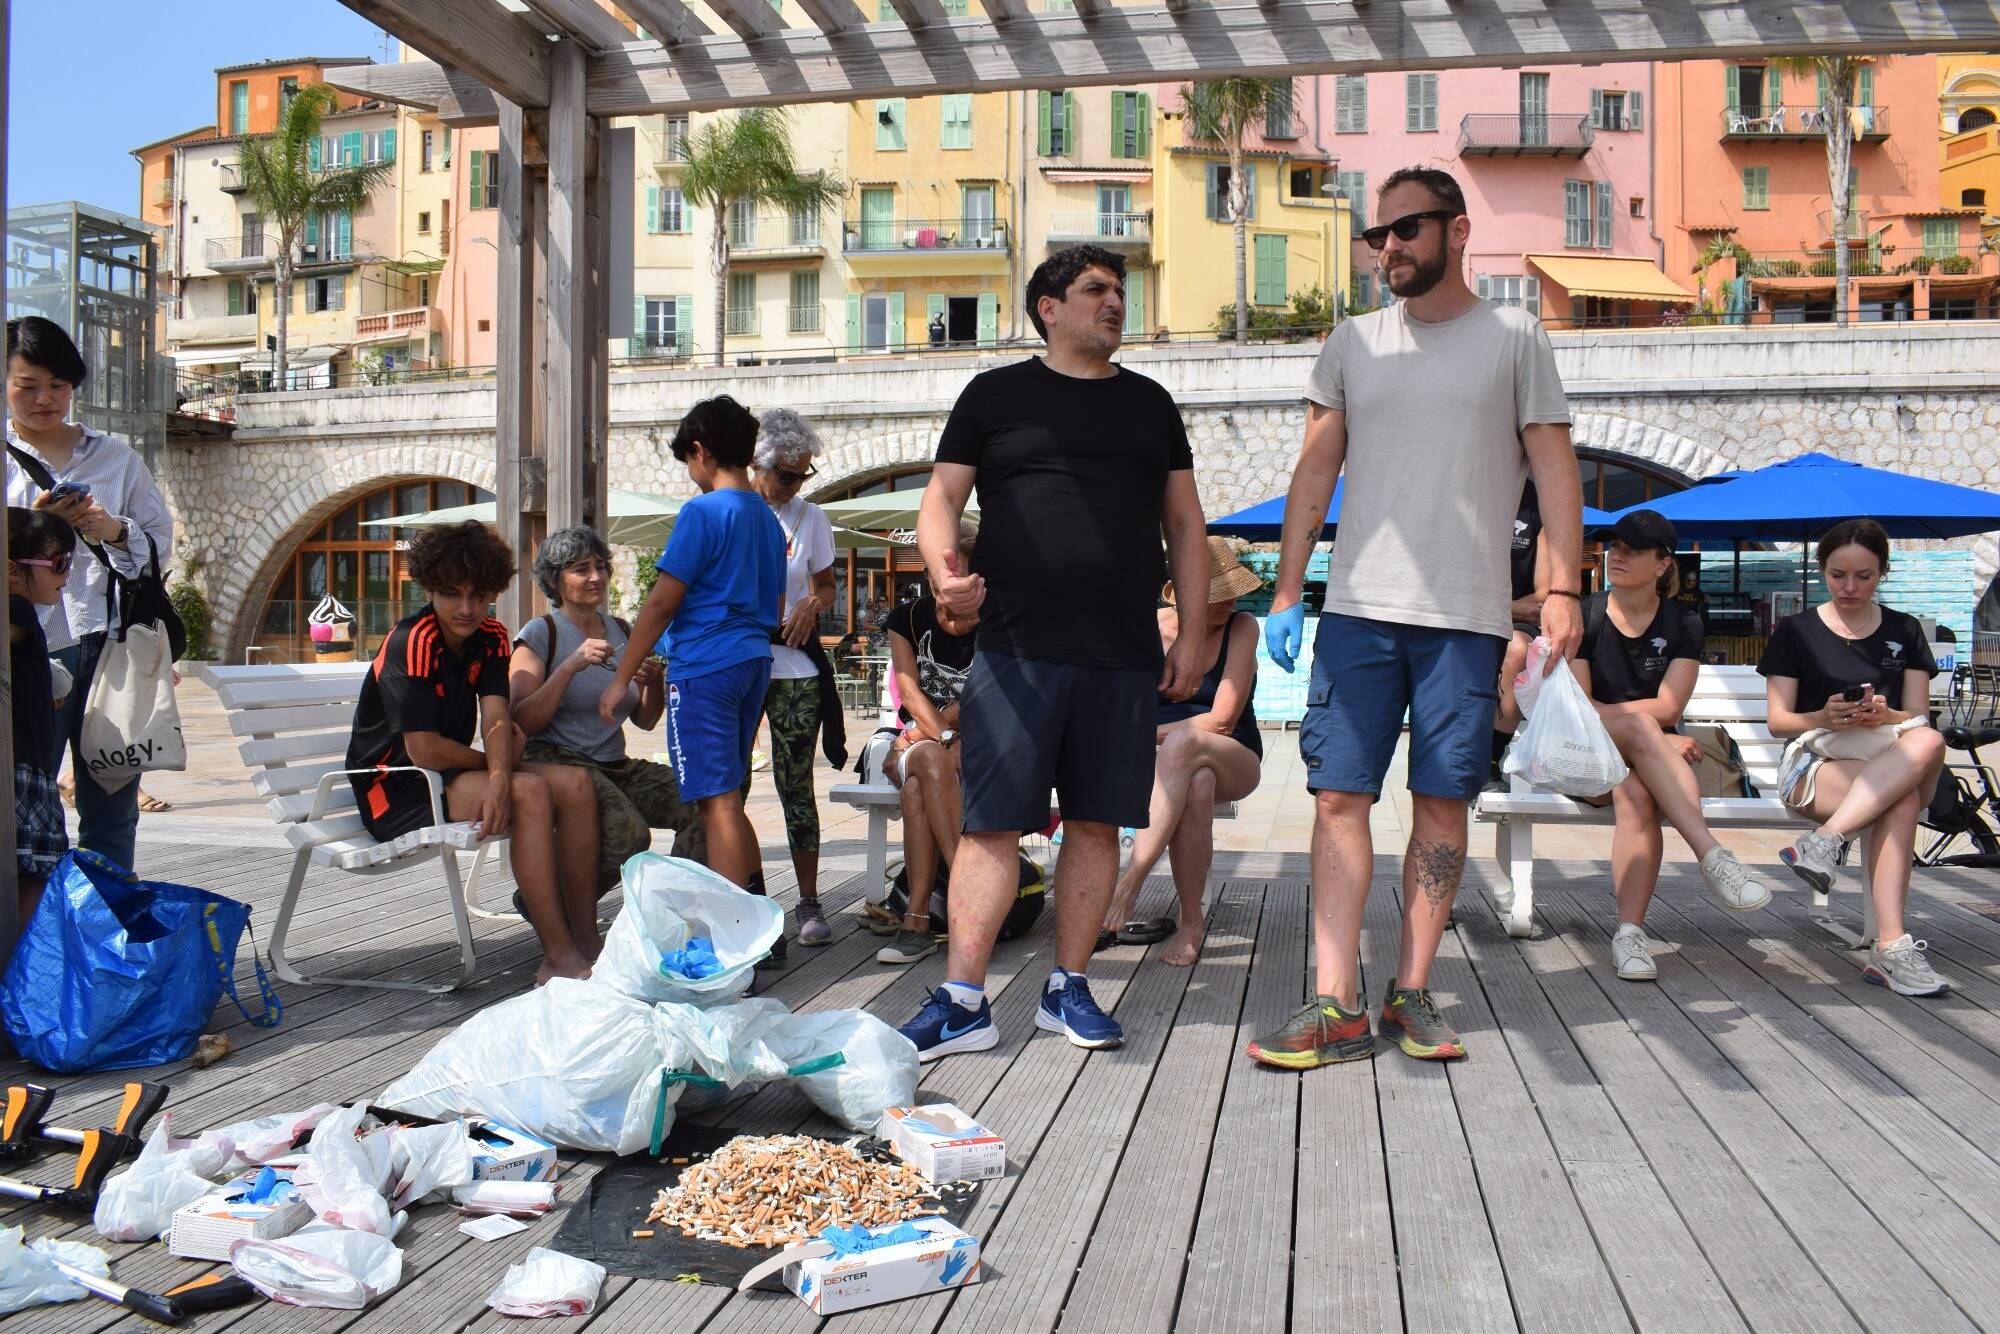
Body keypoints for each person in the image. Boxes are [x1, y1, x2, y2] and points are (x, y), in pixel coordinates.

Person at [1254, 167, 1584, 1069]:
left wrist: (1562, 587)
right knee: (1337, 798)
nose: (1388, 248)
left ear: (1458, 230)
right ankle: (1333, 1003)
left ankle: (1410, 991)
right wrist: (1287, 590)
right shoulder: (1352, 342)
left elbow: (1556, 470)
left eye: (1405, 230)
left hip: (1468, 620)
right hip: (1359, 609)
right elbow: (1315, 471)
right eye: (1377, 236)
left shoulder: (1515, 336)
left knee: (1442, 805)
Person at [897, 243, 1211, 1062]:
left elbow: (1185, 525)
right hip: (1016, 647)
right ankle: (964, 998)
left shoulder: (1151, 403)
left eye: (1121, 291)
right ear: (1049, 307)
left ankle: (1068, 988)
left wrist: (1199, 626)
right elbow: (941, 500)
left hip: (1121, 652)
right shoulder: (996, 394)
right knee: (993, 826)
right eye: (1095, 290)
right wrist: (942, 571)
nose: (1114, 303)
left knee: (1098, 824)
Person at [347, 522, 601, 984]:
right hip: (397, 786)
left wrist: (499, 774)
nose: (466, 608)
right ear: (429, 589)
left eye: (478, 595)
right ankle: (558, 956)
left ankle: (586, 939)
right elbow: (421, 749)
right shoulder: (414, 641)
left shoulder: (491, 636)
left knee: (576, 783)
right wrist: (499, 772)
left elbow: (498, 719)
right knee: (530, 792)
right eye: (452, 595)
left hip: (446, 774)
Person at [601, 396, 784, 930]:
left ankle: (733, 942)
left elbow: (661, 601)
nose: (691, 475)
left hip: (705, 667)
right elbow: (774, 609)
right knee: (731, 802)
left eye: (689, 462)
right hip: (753, 661)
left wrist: (619, 679)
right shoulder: (768, 522)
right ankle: (761, 930)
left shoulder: (702, 513)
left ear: (700, 451)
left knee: (717, 805)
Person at [5, 316, 175, 873]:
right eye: (27, 384)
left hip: (109, 650)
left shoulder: (115, 458)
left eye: (58, 385)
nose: (44, 398)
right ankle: (39, 934)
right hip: (25, 650)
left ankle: (105, 934)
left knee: (113, 809)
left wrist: (112, 529)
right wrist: (32, 526)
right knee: (25, 803)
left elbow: (158, 548)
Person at [1571, 510, 1770, 982]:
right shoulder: (1586, 614)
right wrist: (1652, 734)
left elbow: (1670, 704)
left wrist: (1649, 733)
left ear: (1662, 564)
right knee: (1643, 730)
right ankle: (1713, 857)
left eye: (1632, 549)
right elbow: (1584, 711)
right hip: (1586, 757)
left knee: (1638, 794)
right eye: (1614, 546)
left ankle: (1629, 935)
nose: (1617, 555)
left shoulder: (1683, 621)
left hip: (1645, 769)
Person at [1761, 517, 1950, 996]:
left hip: (1890, 752)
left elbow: (1918, 716)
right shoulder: (1797, 630)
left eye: (1863, 576)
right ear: (1822, 571)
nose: (1849, 587)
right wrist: (1823, 716)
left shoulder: (1904, 630)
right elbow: (1780, 721)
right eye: (1838, 575)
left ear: (1882, 573)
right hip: (1817, 763)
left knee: (1927, 741)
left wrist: (1886, 716)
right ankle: (1891, 948)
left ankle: (1824, 840)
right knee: (1902, 802)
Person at [508, 526, 707, 895]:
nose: (596, 577)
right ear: (555, 579)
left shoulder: (621, 630)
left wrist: (652, 680)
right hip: (559, 762)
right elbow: (521, 718)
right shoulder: (542, 632)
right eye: (581, 569)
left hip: (614, 763)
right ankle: (547, 902)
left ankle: (671, 908)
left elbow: (645, 721)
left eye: (601, 566)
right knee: (629, 834)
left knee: (702, 804)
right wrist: (569, 666)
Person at [1098, 536, 1266, 967]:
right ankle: (1192, 924)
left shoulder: (1243, 627)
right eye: (1216, 596)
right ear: (1183, 595)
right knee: (1196, 782)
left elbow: (1223, 720)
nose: (1229, 603)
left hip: (1233, 753)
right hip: (1163, 762)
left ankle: (1131, 879)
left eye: (1232, 593)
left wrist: (1146, 735)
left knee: (1187, 743)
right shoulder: (1145, 628)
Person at [746, 408, 843, 949]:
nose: (795, 485)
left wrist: (813, 601)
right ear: (758, 466)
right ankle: (747, 895)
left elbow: (827, 586)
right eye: (786, 475)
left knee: (795, 786)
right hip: (739, 664)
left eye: (804, 475)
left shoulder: (811, 519)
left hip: (795, 668)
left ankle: (808, 899)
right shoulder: (734, 511)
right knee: (730, 787)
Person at [874, 517, 981, 967]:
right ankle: (969, 897)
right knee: (932, 763)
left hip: (965, 738)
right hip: (918, 737)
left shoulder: (1003, 619)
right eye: (940, 576)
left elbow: (987, 691)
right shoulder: (908, 618)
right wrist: (942, 734)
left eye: (957, 574)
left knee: (921, 780)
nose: (947, 586)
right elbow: (909, 689)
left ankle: (916, 919)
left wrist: (937, 732)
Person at [9, 506, 77, 922]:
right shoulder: (15, 608)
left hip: (29, 767)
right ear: (12, 571)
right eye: (57, 564)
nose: (65, 575)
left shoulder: (23, 610)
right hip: (22, 773)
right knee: (33, 881)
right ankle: (20, 973)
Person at [1487, 478, 1551, 787]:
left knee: (1517, 649)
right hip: (1457, 618)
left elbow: (1542, 597)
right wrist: (1509, 606)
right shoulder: (1462, 485)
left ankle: (1489, 758)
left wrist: (1494, 608)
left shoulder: (1539, 500)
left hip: (1512, 626)